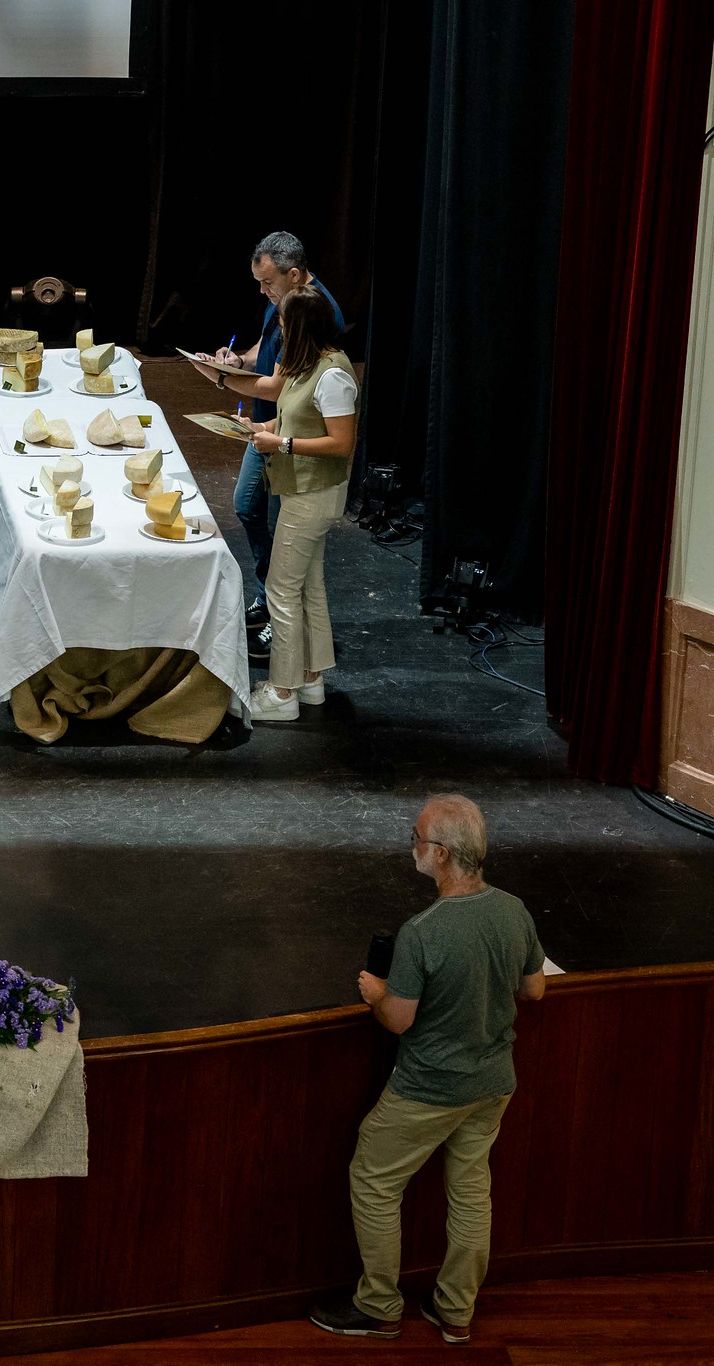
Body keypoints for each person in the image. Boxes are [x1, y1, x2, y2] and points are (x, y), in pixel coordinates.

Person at [311, 794, 546, 1344]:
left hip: (428, 1089)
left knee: (373, 1179)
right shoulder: (513, 910)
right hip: (493, 1085)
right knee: (469, 1192)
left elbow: (398, 1020)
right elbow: (534, 987)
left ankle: (378, 1307)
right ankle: (455, 1313)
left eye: (416, 838)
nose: (412, 846)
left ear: (440, 854)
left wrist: (376, 993)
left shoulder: (423, 931)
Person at [190, 231, 347, 652]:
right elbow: (267, 349)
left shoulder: (315, 315)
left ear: (294, 275)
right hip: (269, 430)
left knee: (285, 535)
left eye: (267, 283)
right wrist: (236, 361)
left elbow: (281, 386)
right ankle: (268, 596)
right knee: (246, 506)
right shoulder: (283, 303)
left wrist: (222, 379)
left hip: (288, 442)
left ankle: (281, 620)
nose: (262, 292)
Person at [235, 287, 359, 722]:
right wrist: (261, 426)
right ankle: (310, 680)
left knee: (282, 591)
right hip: (300, 492)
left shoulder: (334, 375)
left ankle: (281, 692)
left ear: (301, 327)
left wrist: (281, 443)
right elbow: (292, 415)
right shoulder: (307, 368)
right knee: (307, 587)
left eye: (285, 326)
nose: (281, 335)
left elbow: (341, 443)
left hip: (314, 496)